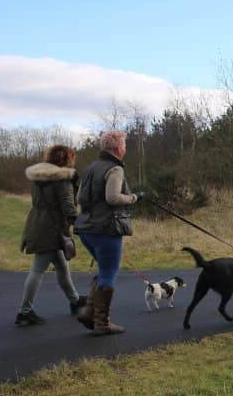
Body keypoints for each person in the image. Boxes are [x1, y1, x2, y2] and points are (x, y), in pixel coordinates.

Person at [73, 130, 142, 335]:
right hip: (106, 229)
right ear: (119, 148)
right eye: (125, 146)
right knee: (109, 272)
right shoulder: (115, 169)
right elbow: (113, 198)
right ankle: (102, 323)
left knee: (104, 270)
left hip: (86, 228)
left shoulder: (92, 167)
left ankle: (89, 313)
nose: (125, 149)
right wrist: (134, 198)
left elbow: (79, 197)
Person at [15, 144, 85, 326]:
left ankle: (75, 300)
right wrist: (79, 224)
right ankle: (25, 312)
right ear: (66, 159)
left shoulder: (38, 177)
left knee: (61, 265)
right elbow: (68, 206)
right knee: (38, 269)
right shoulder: (62, 179)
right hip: (52, 228)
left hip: (37, 221)